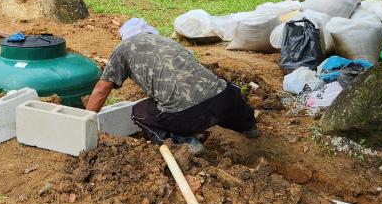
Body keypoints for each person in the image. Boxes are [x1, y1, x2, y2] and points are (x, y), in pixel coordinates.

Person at [86, 31, 259, 155]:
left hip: (186, 116)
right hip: (225, 103)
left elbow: (102, 89)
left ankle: (184, 141)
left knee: (139, 112)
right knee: (222, 89)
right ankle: (248, 125)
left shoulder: (122, 49)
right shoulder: (166, 41)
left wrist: (86, 120)